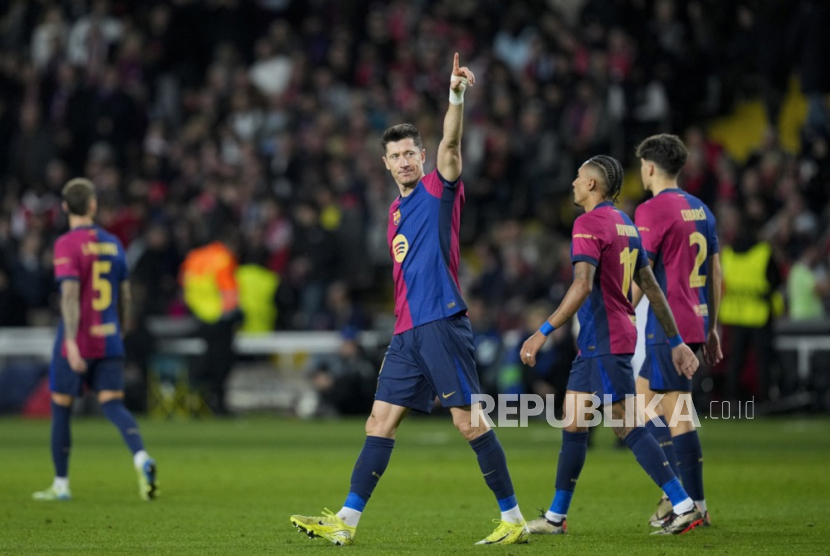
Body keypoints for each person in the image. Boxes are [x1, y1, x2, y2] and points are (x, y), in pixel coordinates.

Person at [290, 54, 530, 546]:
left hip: (441, 322)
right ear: (385, 163)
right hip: (406, 332)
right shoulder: (394, 214)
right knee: (378, 421)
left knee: (469, 423)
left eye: (409, 153)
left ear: (421, 157)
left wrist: (455, 97)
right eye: (394, 155)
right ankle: (346, 522)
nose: (403, 161)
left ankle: (513, 517)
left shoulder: (439, 190)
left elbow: (452, 142)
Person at [520, 155, 704, 536]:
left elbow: (582, 284)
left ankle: (684, 504)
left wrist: (543, 331)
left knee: (625, 424)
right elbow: (651, 288)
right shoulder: (627, 224)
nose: (572, 182)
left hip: (607, 340)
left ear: (592, 185)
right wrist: (676, 341)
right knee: (573, 424)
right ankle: (556, 517)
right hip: (597, 341)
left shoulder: (587, 223)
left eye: (578, 177)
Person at [33, 178, 158, 501]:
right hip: (110, 335)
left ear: (64, 207)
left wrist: (71, 342)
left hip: (78, 337)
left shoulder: (66, 244)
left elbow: (71, 295)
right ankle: (141, 458)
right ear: (92, 206)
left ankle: (61, 484)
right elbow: (126, 295)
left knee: (61, 407)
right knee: (113, 404)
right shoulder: (114, 243)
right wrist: (120, 325)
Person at [631, 134, 721, 529]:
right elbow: (716, 272)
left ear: (649, 166)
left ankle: (694, 505)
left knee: (676, 411)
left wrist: (620, 312)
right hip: (696, 320)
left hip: (670, 326)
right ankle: (675, 496)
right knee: (642, 402)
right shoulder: (701, 209)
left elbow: (642, 274)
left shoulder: (652, 210)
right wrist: (713, 326)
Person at [180, 227, 243, 416]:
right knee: (221, 363)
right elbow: (229, 291)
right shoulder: (223, 258)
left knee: (206, 358)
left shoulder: (194, 256)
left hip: (198, 316)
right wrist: (234, 314)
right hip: (219, 318)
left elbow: (185, 284)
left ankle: (198, 398)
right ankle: (216, 401)